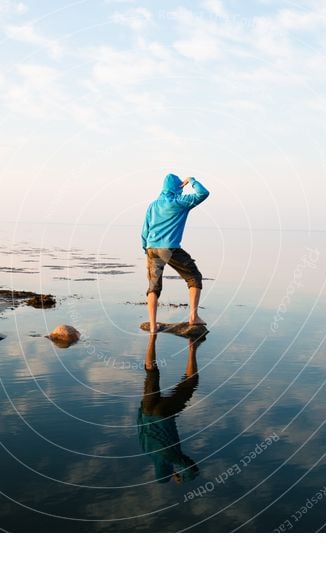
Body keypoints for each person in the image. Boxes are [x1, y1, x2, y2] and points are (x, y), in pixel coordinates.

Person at [141, 173, 210, 334]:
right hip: (170, 248)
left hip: (151, 248)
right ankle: (193, 317)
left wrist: (146, 248)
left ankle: (152, 326)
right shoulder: (180, 202)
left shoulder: (153, 205)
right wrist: (191, 181)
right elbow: (203, 193)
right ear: (177, 187)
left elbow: (145, 229)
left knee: (153, 287)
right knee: (194, 277)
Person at [137, 333, 201, 484]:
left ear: (167, 470)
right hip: (147, 411)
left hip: (163, 414)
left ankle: (192, 347)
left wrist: (182, 478)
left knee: (190, 384)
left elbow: (193, 470)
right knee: (152, 374)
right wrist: (142, 408)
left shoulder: (170, 456)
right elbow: (139, 427)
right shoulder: (148, 452)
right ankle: (152, 337)